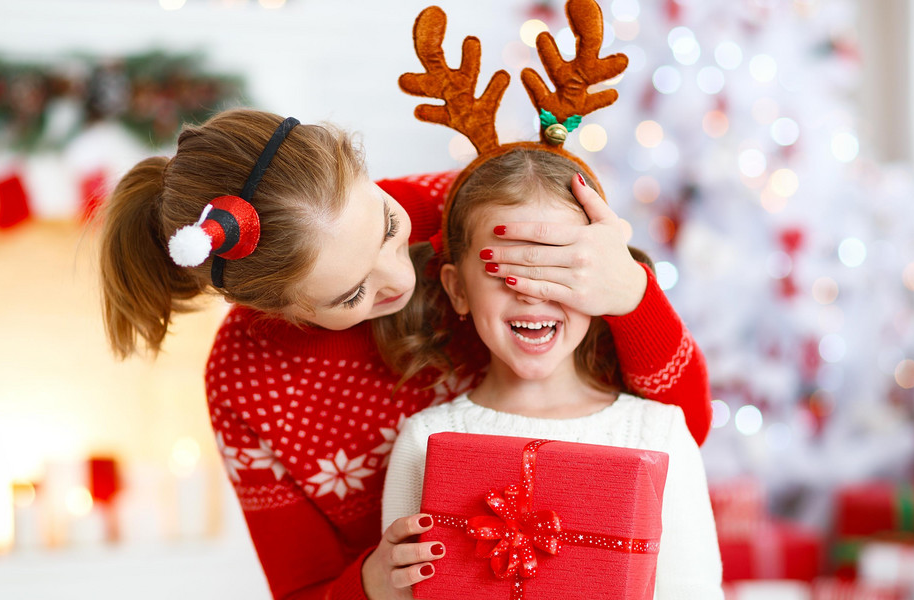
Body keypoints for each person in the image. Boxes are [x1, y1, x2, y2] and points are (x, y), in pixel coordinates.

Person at [97, 108, 710, 596]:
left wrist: (633, 294)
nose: (399, 276)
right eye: (351, 293)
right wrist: (368, 585)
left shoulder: (472, 213)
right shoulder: (248, 381)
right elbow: (302, 588)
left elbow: (679, 430)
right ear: (279, 313)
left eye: (389, 227)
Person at [380, 148, 723, 596]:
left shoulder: (659, 432)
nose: (532, 294)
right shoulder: (423, 442)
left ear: (602, 280)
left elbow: (693, 590)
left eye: (558, 268)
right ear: (457, 289)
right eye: (505, 270)